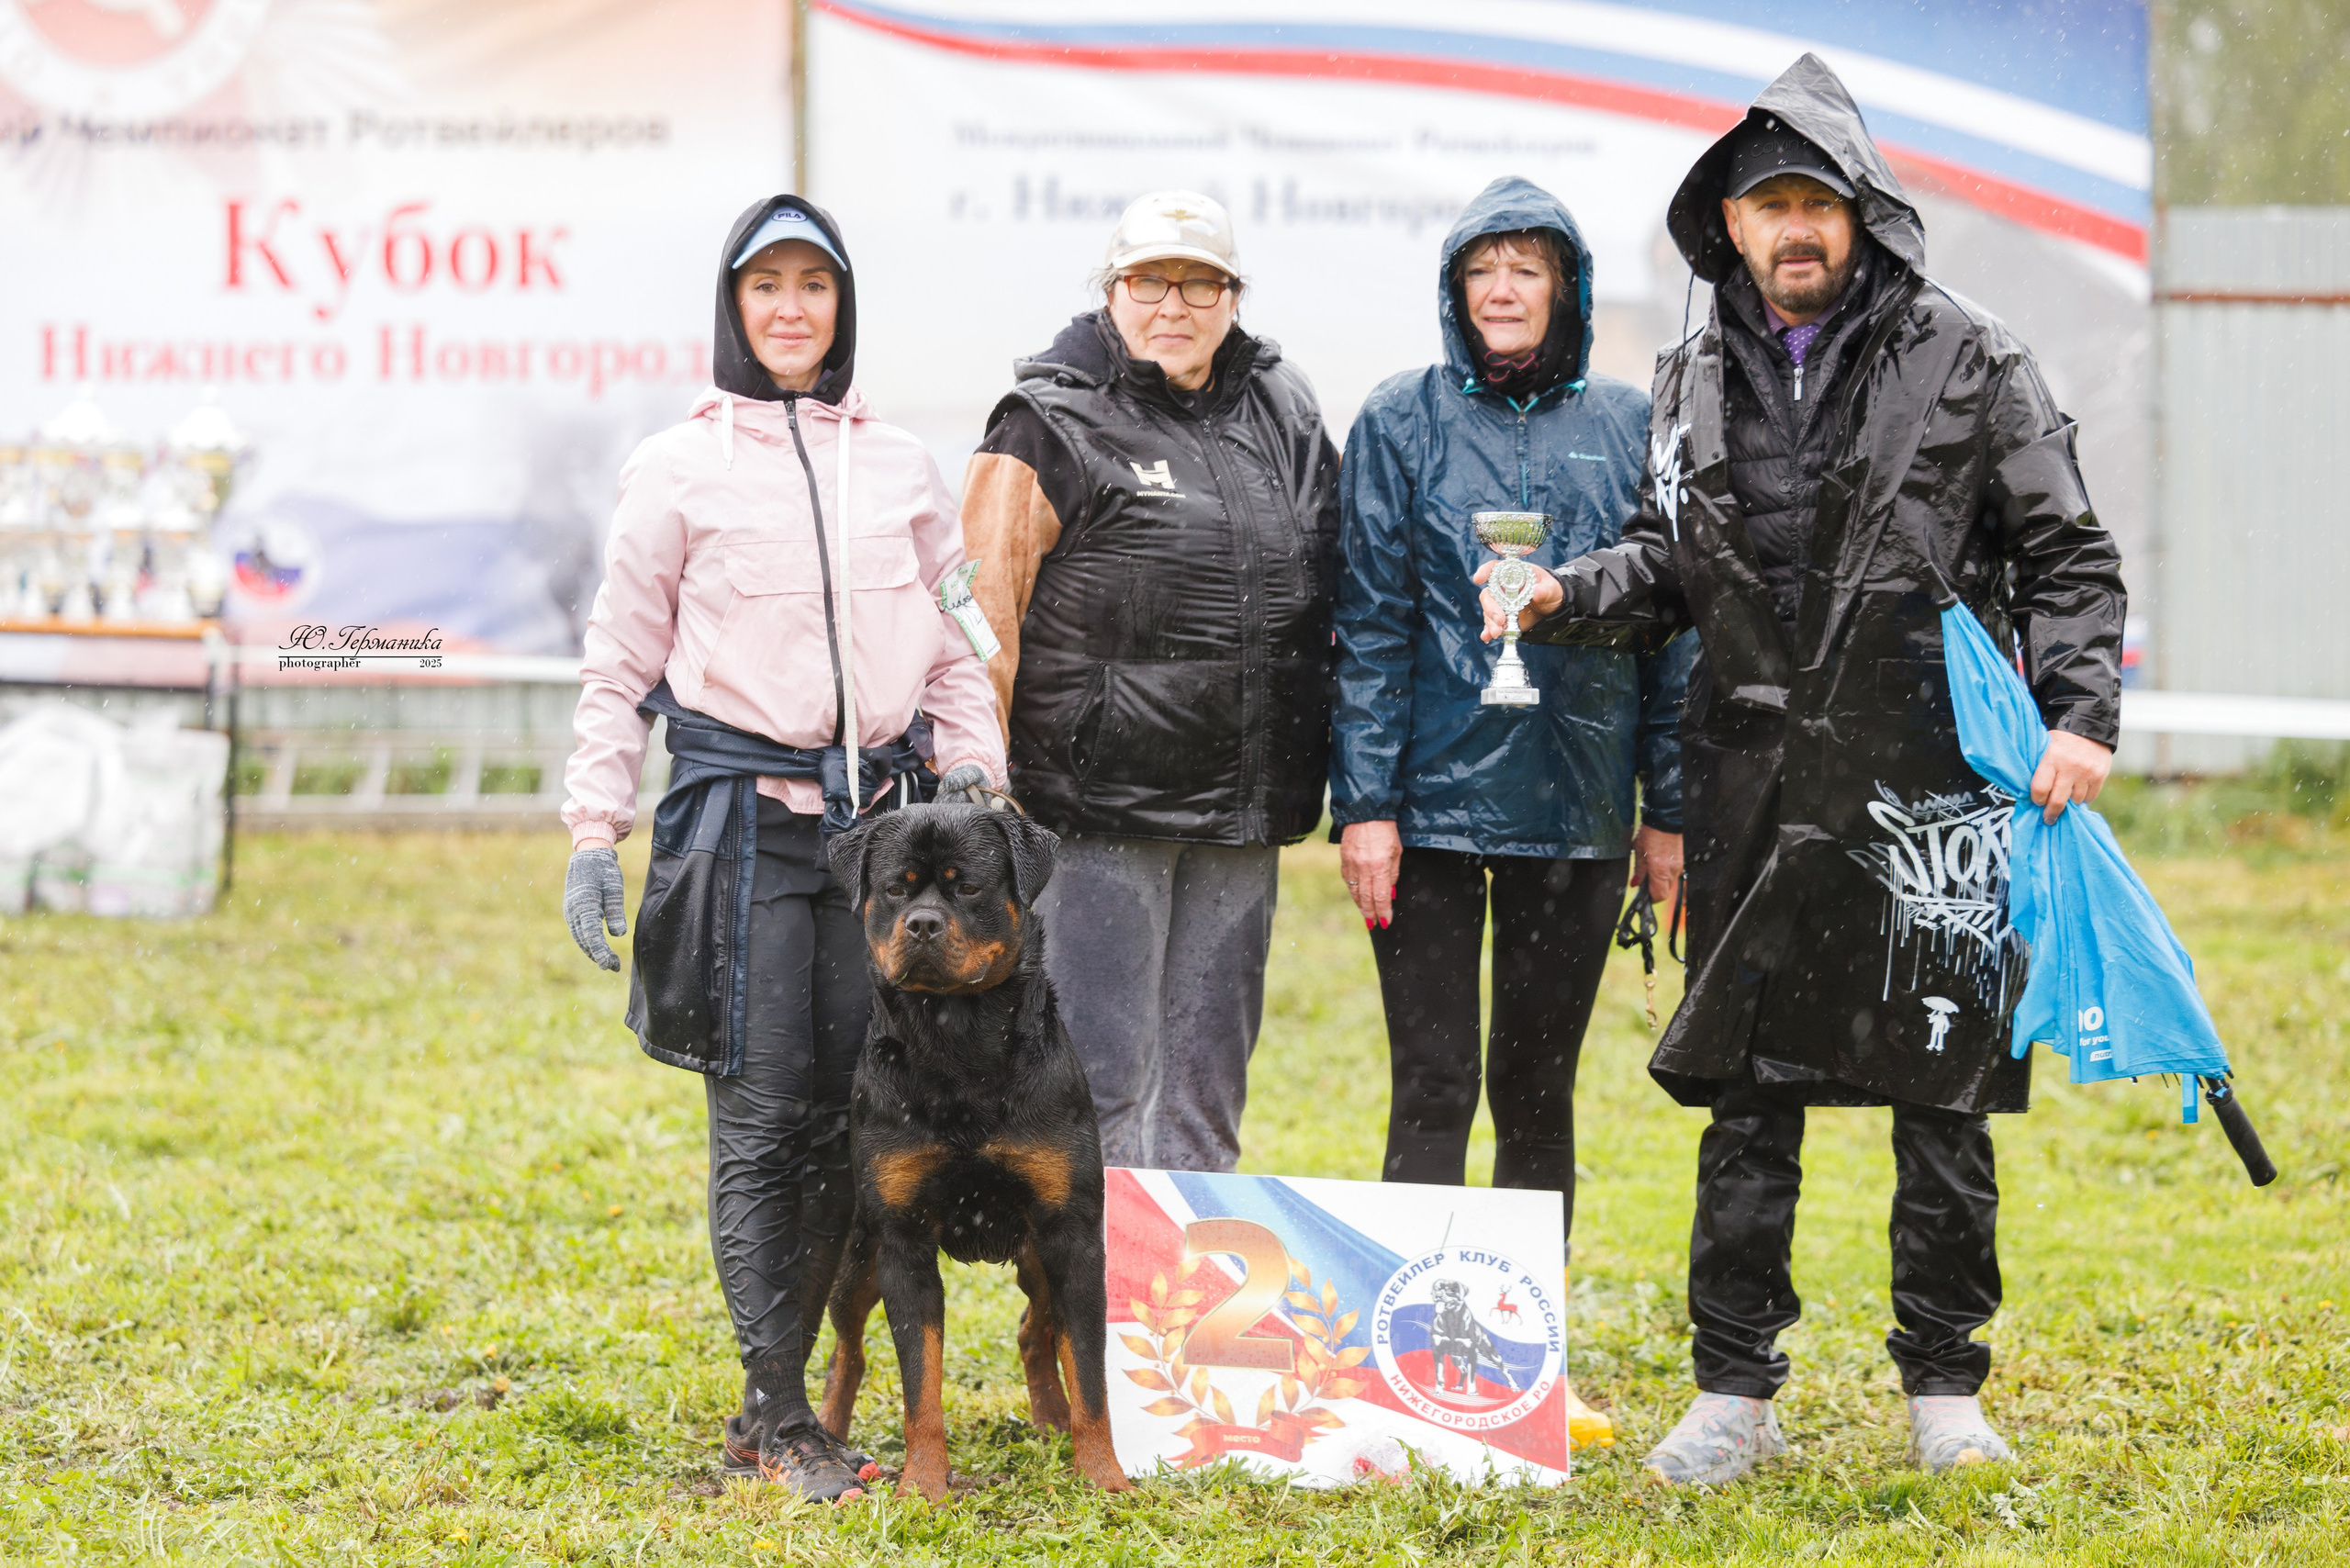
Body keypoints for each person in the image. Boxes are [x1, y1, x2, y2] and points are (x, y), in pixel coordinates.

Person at [1482, 57, 2125, 1484]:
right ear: (1727, 223)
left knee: (1944, 1091)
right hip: (1751, 784)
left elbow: (2067, 554)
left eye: (1815, 203)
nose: (1793, 230)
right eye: (1766, 205)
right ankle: (1732, 1391)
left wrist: (2078, 714)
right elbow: (1669, 562)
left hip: (1937, 783)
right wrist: (1563, 595)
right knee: (1746, 1097)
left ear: (1862, 213)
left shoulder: (1974, 355)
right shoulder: (1689, 372)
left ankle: (1947, 1389)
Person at [559, 196, 1005, 1500]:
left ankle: (810, 1392)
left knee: (851, 1116)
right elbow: (616, 668)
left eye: (816, 287)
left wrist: (976, 781)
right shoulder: (678, 468)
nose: (793, 310)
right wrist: (596, 829)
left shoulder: (908, 470)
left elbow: (959, 649)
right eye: (769, 289)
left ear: (841, 309)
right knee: (761, 1119)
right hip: (740, 833)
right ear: (735, 309)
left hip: (882, 845)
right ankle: (772, 1416)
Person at [1331, 174, 1691, 1240]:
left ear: (1566, 288)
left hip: (1574, 806)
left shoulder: (1631, 422)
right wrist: (1364, 805)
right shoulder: (1401, 418)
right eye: (1481, 269)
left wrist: (1664, 812)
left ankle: (1523, 1362)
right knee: (1432, 1085)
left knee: (1537, 1095)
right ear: (1453, 288)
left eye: (1525, 268)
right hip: (1428, 808)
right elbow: (1368, 623)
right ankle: (1412, 1345)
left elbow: (1672, 631)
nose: (1501, 287)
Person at [959, 190, 1340, 1173]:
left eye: (1200, 282)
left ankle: (1184, 1322)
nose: (1174, 304)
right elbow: (979, 613)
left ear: (1232, 294)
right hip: (1096, 816)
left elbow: (1330, 585)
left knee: (1210, 1094)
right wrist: (976, 781)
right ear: (1111, 291)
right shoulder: (1045, 418)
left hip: (1239, 817)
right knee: (1101, 1087)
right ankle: (1094, 1319)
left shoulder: (1286, 409)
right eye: (1149, 281)